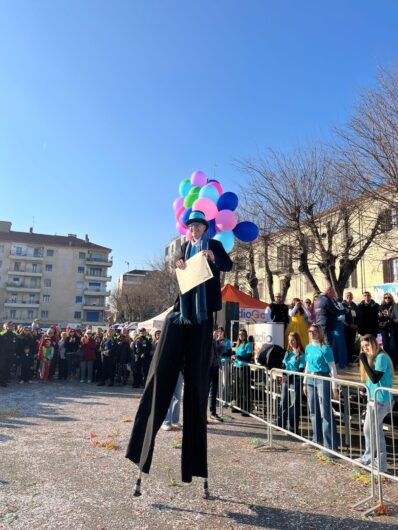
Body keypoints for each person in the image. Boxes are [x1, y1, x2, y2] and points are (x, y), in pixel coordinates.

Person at [126, 210, 232, 492]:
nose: (194, 230)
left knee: (196, 384)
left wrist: (213, 259)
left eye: (198, 226)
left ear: (205, 228)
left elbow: (228, 264)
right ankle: (141, 446)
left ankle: (195, 466)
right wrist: (178, 262)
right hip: (182, 310)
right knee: (163, 371)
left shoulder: (215, 245)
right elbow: (180, 271)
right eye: (191, 227)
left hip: (203, 315)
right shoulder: (185, 246)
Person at [356, 334, 394, 472]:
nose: (365, 349)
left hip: (382, 400)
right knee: (371, 429)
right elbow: (369, 380)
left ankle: (380, 463)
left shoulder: (381, 357)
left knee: (373, 430)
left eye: (367, 345)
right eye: (363, 347)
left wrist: (363, 360)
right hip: (372, 399)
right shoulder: (371, 358)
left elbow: (374, 377)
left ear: (374, 344)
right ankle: (370, 458)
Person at [303, 324, 338, 457]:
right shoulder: (308, 347)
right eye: (310, 331)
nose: (312, 333)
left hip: (322, 378)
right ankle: (316, 439)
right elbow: (307, 365)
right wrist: (305, 382)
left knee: (325, 413)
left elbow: (333, 369)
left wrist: (334, 387)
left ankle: (330, 446)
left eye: (315, 331)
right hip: (311, 378)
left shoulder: (325, 348)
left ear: (320, 333)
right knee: (313, 410)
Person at [278, 332, 305, 434]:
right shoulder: (288, 353)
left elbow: (300, 370)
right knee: (283, 401)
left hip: (296, 381)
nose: (291, 342)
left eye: (293, 340)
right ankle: (281, 424)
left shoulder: (301, 354)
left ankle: (293, 427)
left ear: (297, 340)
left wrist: (289, 378)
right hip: (286, 380)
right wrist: (284, 375)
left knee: (294, 404)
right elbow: (284, 366)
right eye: (289, 340)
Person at [232, 329, 253, 416]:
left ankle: (246, 409)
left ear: (245, 335)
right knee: (238, 388)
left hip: (244, 368)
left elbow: (249, 357)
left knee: (245, 389)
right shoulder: (239, 344)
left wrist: (239, 357)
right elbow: (237, 355)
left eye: (243, 334)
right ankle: (238, 406)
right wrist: (234, 356)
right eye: (240, 334)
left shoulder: (248, 345)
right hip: (237, 367)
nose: (241, 336)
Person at [208, 330, 224, 422]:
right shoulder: (208, 341)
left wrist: (219, 341)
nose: (216, 334)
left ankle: (213, 412)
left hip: (215, 367)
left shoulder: (216, 342)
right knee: (206, 391)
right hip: (208, 368)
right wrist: (214, 340)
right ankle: (203, 413)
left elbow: (220, 352)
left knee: (214, 391)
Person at [377, 293, 397, 366]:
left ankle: (394, 364)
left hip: (393, 328)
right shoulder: (381, 306)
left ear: (391, 298)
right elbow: (379, 318)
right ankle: (387, 363)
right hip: (384, 329)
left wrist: (389, 316)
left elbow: (395, 318)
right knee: (385, 346)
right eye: (385, 297)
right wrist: (380, 316)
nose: (387, 299)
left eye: (389, 297)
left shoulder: (395, 306)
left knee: (393, 346)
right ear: (384, 298)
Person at [342, 292, 358, 364]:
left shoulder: (354, 305)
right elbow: (342, 318)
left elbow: (357, 316)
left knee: (352, 343)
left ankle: (351, 358)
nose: (349, 297)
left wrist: (356, 325)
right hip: (346, 327)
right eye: (348, 296)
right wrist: (349, 325)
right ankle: (347, 359)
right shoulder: (342, 305)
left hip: (353, 328)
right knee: (347, 343)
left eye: (350, 296)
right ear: (345, 297)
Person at [0, 321, 18, 387]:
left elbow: (16, 344)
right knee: (2, 368)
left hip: (11, 354)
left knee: (8, 367)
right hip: (2, 354)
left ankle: (5, 379)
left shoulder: (15, 334)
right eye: (9, 326)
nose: (11, 327)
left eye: (12, 326)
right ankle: (2, 382)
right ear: (6, 327)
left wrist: (15, 352)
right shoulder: (2, 334)